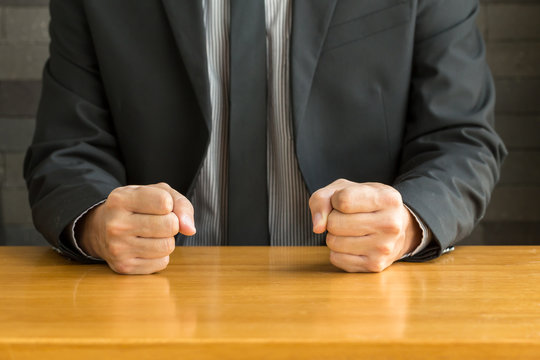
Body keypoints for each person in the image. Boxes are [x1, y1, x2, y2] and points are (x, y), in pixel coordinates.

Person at [24, 0, 506, 275]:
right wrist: (96, 225)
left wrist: (408, 222)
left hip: (359, 300)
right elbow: (67, 149)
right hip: (154, 303)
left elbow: (461, 138)